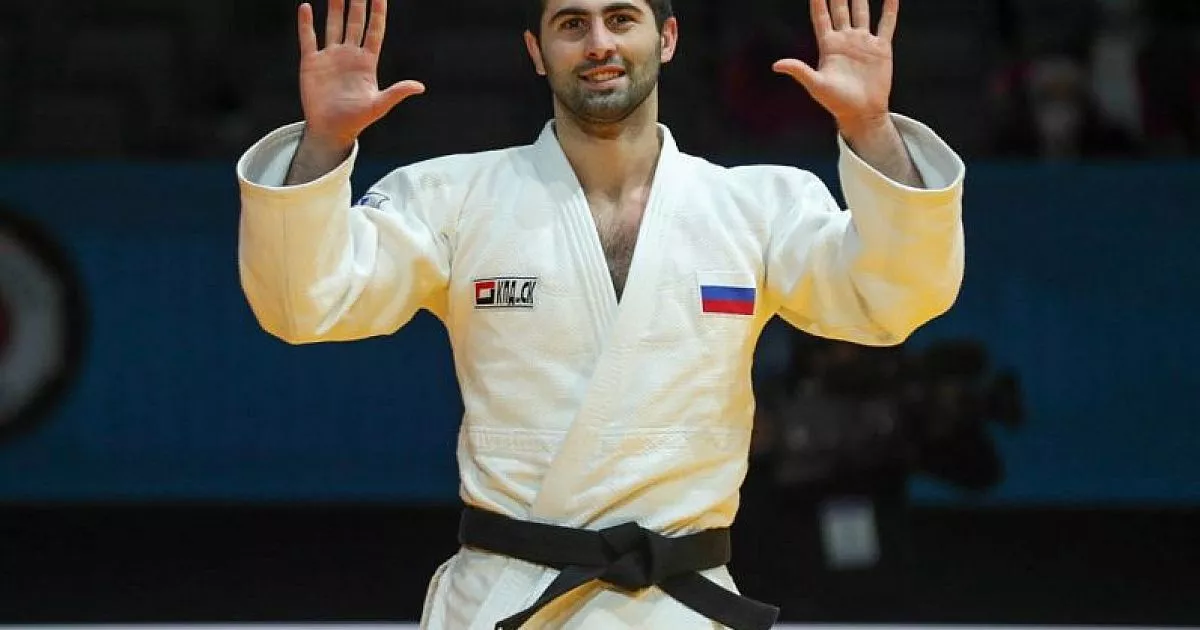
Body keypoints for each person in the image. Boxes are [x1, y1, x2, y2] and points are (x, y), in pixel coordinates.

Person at [234, 0, 966, 627]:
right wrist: (326, 142)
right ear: (536, 51)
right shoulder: (453, 198)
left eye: (621, 19)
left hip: (680, 608)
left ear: (667, 38)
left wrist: (871, 127)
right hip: (509, 598)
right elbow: (305, 304)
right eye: (571, 24)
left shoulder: (756, 207)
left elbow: (892, 300)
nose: (598, 44)